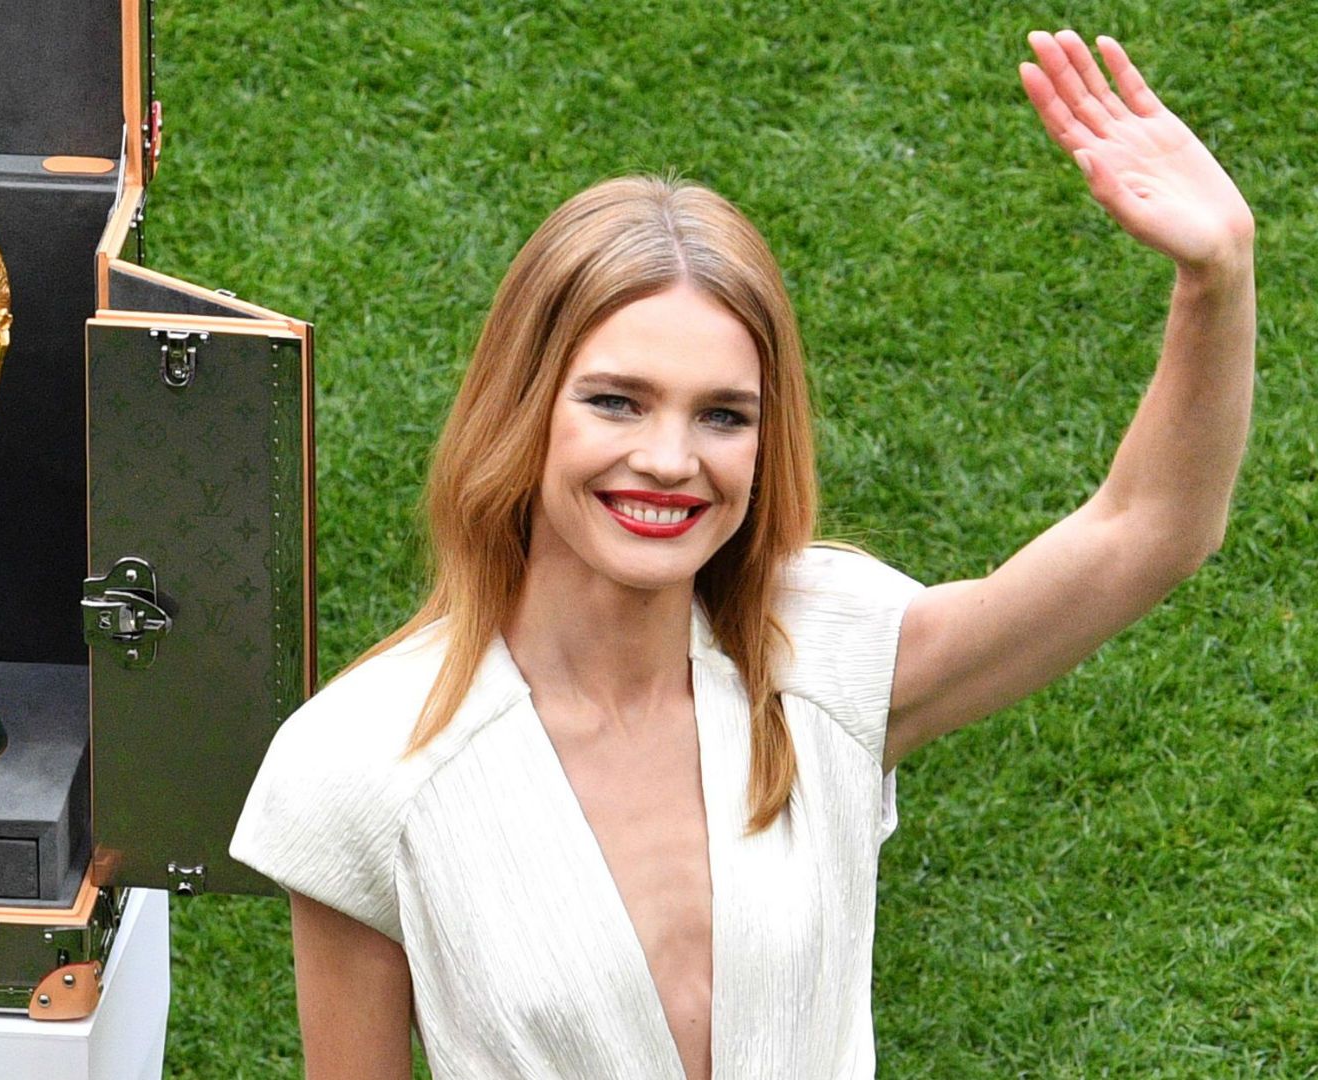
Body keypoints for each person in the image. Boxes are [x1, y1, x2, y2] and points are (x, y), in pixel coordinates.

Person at [230, 29, 1254, 1079]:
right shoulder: (358, 761)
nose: (669, 459)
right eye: (616, 401)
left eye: (724, 416)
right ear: (524, 405)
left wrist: (1214, 279)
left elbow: (1151, 529)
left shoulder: (823, 655)